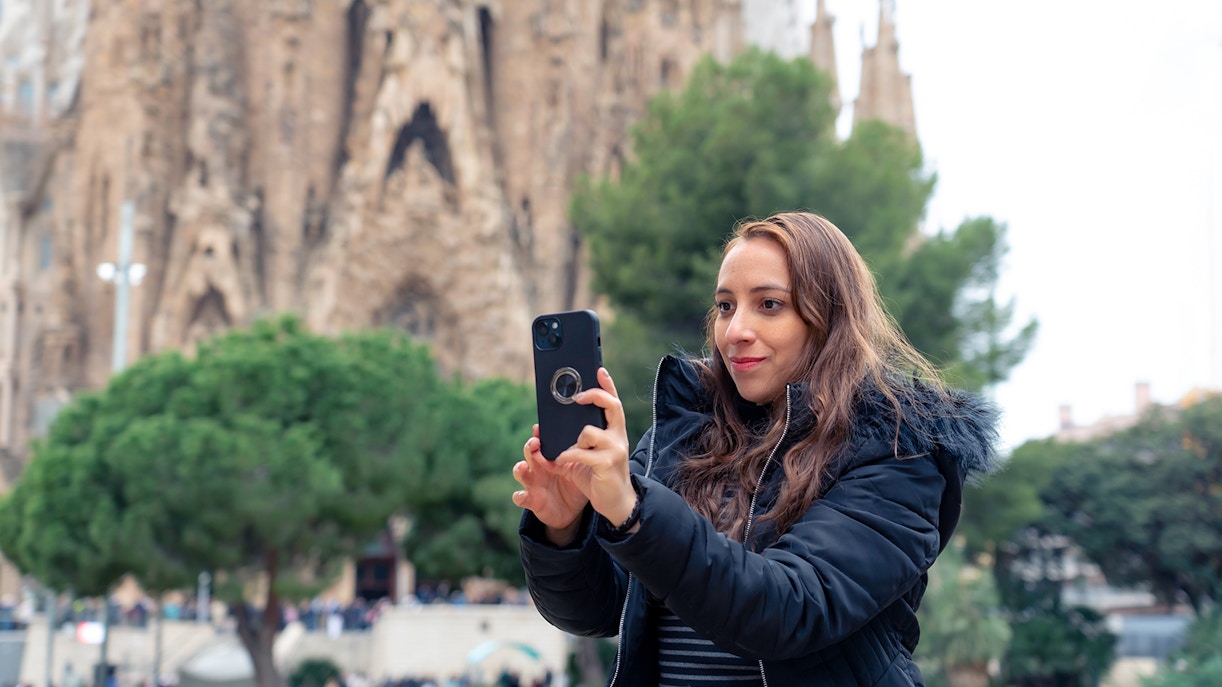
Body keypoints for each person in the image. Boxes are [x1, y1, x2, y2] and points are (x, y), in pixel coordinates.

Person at [512, 211, 1001, 686]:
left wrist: (633, 511)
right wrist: (563, 531)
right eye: (726, 306)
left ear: (829, 318)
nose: (736, 330)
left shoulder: (900, 448)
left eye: (769, 304)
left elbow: (789, 610)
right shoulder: (684, 433)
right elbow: (601, 610)